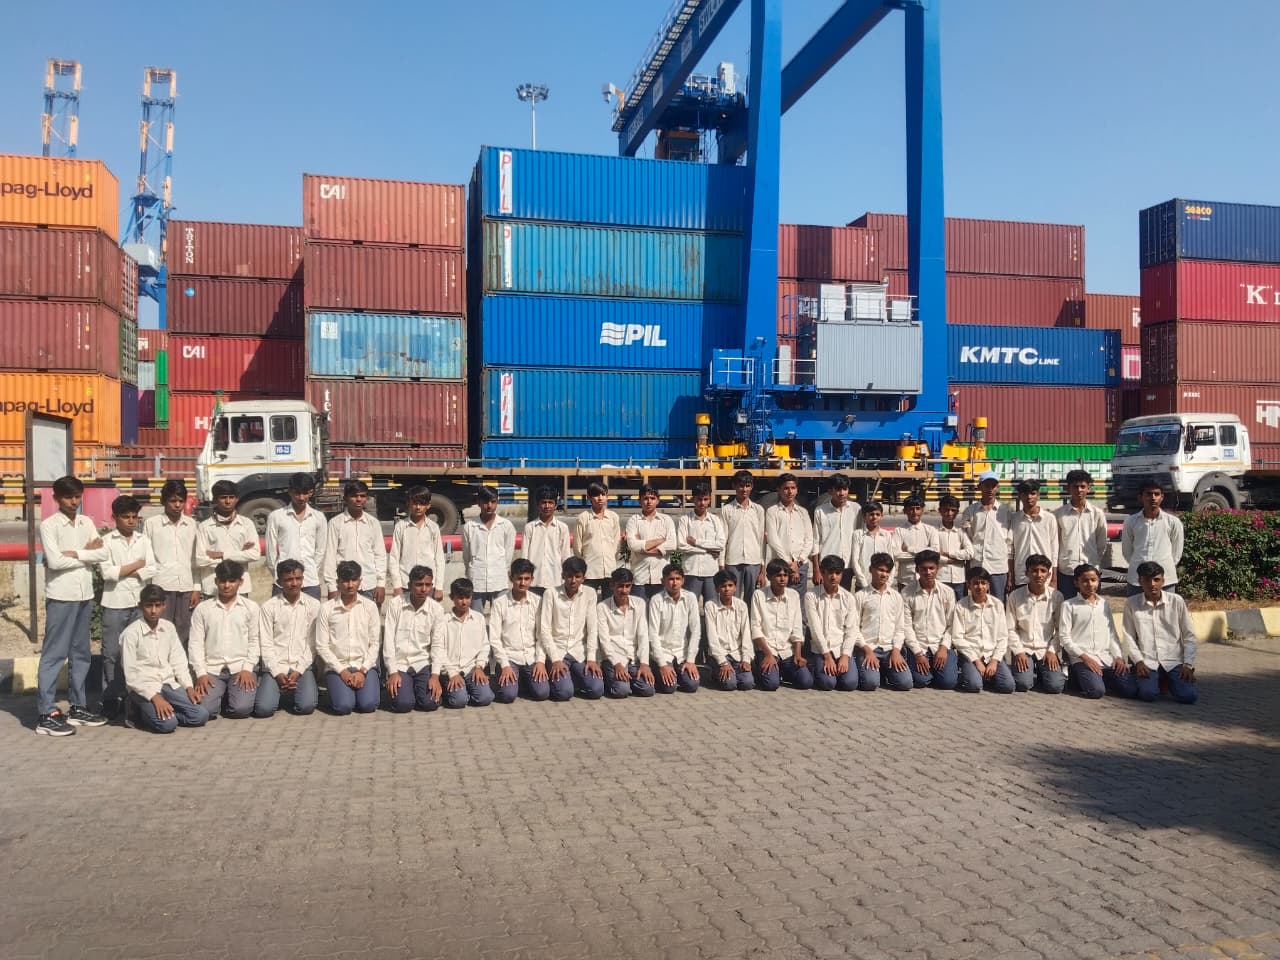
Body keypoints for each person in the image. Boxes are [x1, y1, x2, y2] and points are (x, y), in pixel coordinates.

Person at [36, 475, 109, 736]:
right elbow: (54, 562)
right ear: (56, 498)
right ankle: (46, 713)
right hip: (61, 596)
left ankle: (78, 706)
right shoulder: (49, 525)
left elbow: (104, 553)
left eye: (77, 496)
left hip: (84, 595)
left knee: (81, 653)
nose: (74, 501)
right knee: (54, 654)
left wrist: (76, 553)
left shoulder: (86, 522)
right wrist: (87, 554)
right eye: (68, 497)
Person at [97, 495, 158, 719]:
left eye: (134, 517)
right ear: (114, 518)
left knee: (138, 652)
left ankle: (134, 699)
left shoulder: (143, 540)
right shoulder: (106, 542)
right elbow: (108, 574)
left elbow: (152, 568)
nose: (131, 521)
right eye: (126, 517)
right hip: (114, 603)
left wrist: (126, 570)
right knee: (112, 653)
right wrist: (137, 565)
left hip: (138, 603)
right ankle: (110, 699)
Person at [121, 585, 209, 733]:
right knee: (167, 725)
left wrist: (188, 687)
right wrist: (154, 698)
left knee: (201, 715)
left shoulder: (168, 628)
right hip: (144, 688)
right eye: (149, 606)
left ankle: (165, 712)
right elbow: (131, 676)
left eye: (157, 605)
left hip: (167, 684)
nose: (153, 611)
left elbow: (178, 662)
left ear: (164, 605)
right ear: (140, 606)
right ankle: (136, 711)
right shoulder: (130, 633)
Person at [189, 560, 261, 719]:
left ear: (241, 582)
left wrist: (248, 668)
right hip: (212, 670)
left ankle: (232, 695)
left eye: (232, 581)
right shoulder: (203, 609)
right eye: (223, 581)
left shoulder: (251, 608)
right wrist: (200, 673)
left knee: (241, 709)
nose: (227, 585)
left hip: (240, 668)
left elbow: (255, 641)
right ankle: (219, 696)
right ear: (216, 582)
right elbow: (195, 643)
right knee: (205, 711)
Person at [1056, 563, 1137, 700]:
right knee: (1096, 691)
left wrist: (1118, 657)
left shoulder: (1104, 604)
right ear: (1076, 583)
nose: (1090, 584)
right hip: (1082, 658)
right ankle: (1079, 676)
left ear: (1098, 581)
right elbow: (1064, 637)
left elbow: (1111, 633)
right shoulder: (1069, 605)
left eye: (1093, 580)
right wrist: (1085, 658)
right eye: (1085, 581)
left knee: (1131, 691)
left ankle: (1102, 678)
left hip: (1106, 658)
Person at [1123, 561, 1198, 704]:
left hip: (1173, 661)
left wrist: (1188, 664)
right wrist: (1138, 662)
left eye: (1156, 580)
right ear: (1140, 581)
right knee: (1148, 694)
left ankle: (1167, 680)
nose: (1152, 584)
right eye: (1147, 580)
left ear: (1163, 580)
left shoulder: (1176, 601)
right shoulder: (1131, 603)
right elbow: (1129, 636)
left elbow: (1189, 635)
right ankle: (1154, 679)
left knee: (1189, 696)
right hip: (1148, 661)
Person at [254, 559, 321, 717]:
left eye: (298, 578)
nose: (294, 583)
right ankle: (279, 689)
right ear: (279, 582)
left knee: (306, 707)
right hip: (276, 666)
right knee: (263, 709)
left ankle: (293, 691)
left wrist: (298, 671)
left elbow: (312, 645)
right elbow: (266, 644)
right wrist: (277, 672)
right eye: (289, 579)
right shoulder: (269, 607)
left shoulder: (314, 606)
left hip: (302, 666)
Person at [315, 560, 382, 714]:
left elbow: (374, 643)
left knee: (367, 705)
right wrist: (342, 671)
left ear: (360, 581)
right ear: (338, 582)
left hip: (364, 666)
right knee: (344, 706)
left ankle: (360, 690)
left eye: (354, 580)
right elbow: (322, 646)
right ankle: (341, 692)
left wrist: (363, 671)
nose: (350, 585)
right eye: (345, 580)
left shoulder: (370, 607)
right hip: (337, 667)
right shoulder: (326, 609)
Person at [537, 556, 604, 700]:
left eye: (577, 576)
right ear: (563, 576)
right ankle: (564, 679)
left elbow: (592, 628)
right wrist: (555, 660)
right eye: (569, 576)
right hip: (557, 651)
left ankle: (572, 676)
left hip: (578, 652)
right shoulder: (551, 594)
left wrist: (591, 659)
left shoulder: (590, 593)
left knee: (597, 689)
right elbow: (545, 630)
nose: (573, 581)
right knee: (564, 693)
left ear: (583, 578)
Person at [143, 478, 199, 646]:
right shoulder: (152, 524)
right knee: (161, 629)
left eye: (181, 501)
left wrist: (196, 588)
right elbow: (146, 557)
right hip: (161, 585)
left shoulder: (192, 525)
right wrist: (149, 588)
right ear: (163, 501)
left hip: (186, 585)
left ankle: (181, 662)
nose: (177, 505)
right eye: (173, 501)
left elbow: (195, 559)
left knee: (184, 629)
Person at [384, 565, 445, 712]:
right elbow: (388, 641)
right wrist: (392, 672)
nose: (424, 589)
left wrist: (435, 676)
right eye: (419, 584)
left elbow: (437, 645)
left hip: (422, 663)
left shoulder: (436, 609)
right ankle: (404, 691)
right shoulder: (395, 604)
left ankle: (416, 691)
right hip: (400, 664)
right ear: (409, 584)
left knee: (431, 703)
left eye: (428, 585)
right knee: (403, 704)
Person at [487, 559, 548, 702]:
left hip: (531, 656)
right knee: (508, 695)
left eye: (527, 579)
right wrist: (504, 665)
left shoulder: (538, 602)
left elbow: (542, 635)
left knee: (542, 693)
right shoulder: (499, 603)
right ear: (511, 577)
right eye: (519, 578)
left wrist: (540, 661)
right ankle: (505, 678)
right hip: (509, 657)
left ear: (532, 579)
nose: (522, 583)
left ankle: (523, 681)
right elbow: (494, 639)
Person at [1004, 554, 1067, 694]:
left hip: (1046, 649)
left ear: (1049, 574)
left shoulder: (1057, 597)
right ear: (1026, 573)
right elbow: (1010, 629)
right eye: (1034, 571)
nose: (1038, 575)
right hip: (1024, 648)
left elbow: (1061, 630)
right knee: (1022, 684)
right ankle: (1031, 672)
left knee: (1055, 687)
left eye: (1043, 571)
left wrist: (1052, 651)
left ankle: (1047, 673)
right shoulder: (1015, 596)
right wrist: (1018, 652)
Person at [851, 552, 912, 692]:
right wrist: (867, 650)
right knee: (870, 684)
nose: (884, 574)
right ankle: (873, 671)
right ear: (871, 569)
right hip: (868, 648)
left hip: (890, 649)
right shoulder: (860, 596)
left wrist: (896, 651)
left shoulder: (896, 597)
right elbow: (854, 628)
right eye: (880, 570)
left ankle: (883, 670)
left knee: (906, 683)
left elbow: (900, 629)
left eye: (887, 571)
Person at [749, 558, 814, 691]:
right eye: (778, 575)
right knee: (771, 684)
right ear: (769, 577)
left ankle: (782, 671)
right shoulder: (759, 595)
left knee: (806, 681)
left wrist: (798, 654)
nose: (782, 579)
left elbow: (797, 628)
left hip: (787, 650)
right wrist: (768, 654)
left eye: (785, 575)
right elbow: (755, 628)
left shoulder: (794, 595)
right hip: (768, 649)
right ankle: (763, 669)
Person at [949, 566, 1016, 694]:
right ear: (969, 586)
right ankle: (972, 674)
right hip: (971, 655)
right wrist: (977, 661)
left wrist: (994, 661)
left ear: (988, 585)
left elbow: (1003, 636)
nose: (979, 587)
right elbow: (957, 638)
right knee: (974, 686)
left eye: (983, 583)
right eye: (975, 583)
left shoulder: (997, 605)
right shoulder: (961, 606)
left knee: (1008, 686)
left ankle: (987, 676)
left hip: (992, 654)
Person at [435, 578, 499, 708]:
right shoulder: (443, 621)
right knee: (459, 701)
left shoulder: (479, 618)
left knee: (485, 698)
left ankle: (465, 690)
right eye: (460, 598)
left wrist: (479, 667)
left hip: (471, 669)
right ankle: (451, 690)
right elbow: (439, 650)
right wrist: (452, 673)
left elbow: (484, 646)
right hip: (451, 670)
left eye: (467, 597)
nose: (464, 602)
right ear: (452, 597)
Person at [322, 479, 387, 605]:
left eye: (362, 496)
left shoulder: (373, 523)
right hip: (344, 585)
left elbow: (380, 555)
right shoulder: (335, 523)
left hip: (369, 585)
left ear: (366, 498)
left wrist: (381, 584)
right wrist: (331, 587)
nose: (358, 499)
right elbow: (329, 556)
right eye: (354, 496)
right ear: (345, 498)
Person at [265, 472, 327, 600]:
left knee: (313, 613)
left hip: (310, 580)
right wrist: (278, 573)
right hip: (283, 581)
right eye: (297, 493)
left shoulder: (318, 517)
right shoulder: (276, 516)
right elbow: (270, 551)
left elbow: (320, 550)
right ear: (290, 492)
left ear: (311, 492)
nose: (301, 497)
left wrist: (310, 569)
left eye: (305, 493)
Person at [902, 549, 958, 690]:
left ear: (937, 568)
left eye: (931, 568)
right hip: (919, 646)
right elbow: (907, 627)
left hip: (940, 645)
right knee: (920, 681)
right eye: (924, 569)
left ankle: (944, 668)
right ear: (917, 570)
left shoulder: (947, 592)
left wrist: (944, 648)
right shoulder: (907, 593)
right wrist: (918, 653)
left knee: (948, 683)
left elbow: (952, 624)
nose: (928, 572)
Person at [596, 568, 656, 699]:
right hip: (614, 658)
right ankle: (610, 677)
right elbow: (604, 640)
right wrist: (616, 664)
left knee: (648, 689)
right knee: (621, 691)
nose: (624, 590)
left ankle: (627, 680)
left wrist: (644, 664)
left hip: (633, 658)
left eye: (627, 586)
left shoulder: (639, 603)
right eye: (620, 586)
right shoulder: (602, 607)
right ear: (612, 585)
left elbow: (643, 635)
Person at [196, 480, 260, 598]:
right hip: (212, 587)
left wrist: (221, 555)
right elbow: (200, 560)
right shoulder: (204, 526)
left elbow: (255, 554)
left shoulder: (246, 524)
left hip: (240, 587)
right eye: (223, 497)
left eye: (231, 497)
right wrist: (239, 555)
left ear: (237, 499)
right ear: (215, 500)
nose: (228, 501)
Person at [803, 555, 859, 691]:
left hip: (840, 649)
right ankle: (815, 667)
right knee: (828, 683)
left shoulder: (849, 598)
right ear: (823, 573)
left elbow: (852, 629)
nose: (834, 577)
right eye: (830, 573)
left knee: (850, 683)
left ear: (842, 574)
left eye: (838, 573)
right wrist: (827, 656)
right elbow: (815, 630)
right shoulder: (811, 596)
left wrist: (845, 656)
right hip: (820, 650)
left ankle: (839, 671)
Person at [1120, 481, 1184, 597]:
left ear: (1162, 497)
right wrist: (1140, 567)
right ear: (1140, 497)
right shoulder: (1131, 522)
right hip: (1137, 579)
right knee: (1136, 608)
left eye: (1157, 494)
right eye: (1149, 494)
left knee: (1166, 609)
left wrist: (1163, 567)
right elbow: (1127, 551)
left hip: (1165, 579)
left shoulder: (1173, 522)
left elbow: (1176, 553)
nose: (1153, 498)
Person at [1054, 469, 1108, 600]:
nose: (1079, 490)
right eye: (1075, 486)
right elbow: (1055, 544)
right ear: (1068, 488)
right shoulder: (1058, 514)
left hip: (1091, 571)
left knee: (1091, 607)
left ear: (1089, 488)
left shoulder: (1097, 514)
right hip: (1067, 571)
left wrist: (1093, 561)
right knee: (1067, 607)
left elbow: (1101, 543)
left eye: (1083, 486)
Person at [647, 563, 701, 694]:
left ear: (683, 580)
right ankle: (659, 671)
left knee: (692, 685)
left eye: (678, 579)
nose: (674, 583)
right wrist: (662, 664)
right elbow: (653, 634)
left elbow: (695, 630)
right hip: (663, 653)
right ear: (663, 581)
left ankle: (677, 674)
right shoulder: (656, 600)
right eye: (671, 579)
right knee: (669, 687)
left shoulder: (690, 598)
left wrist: (691, 661)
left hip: (682, 653)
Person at [461, 486, 516, 611]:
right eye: (485, 502)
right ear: (478, 502)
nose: (489, 506)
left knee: (500, 617)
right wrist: (471, 571)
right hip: (476, 579)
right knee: (475, 617)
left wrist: (503, 571)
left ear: (497, 501)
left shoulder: (506, 526)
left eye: (493, 501)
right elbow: (467, 555)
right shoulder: (470, 526)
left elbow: (508, 555)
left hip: (499, 579)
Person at [960, 471, 1013, 599]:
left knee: (998, 602)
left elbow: (1010, 542)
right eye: (986, 485)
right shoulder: (970, 511)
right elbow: (966, 539)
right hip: (977, 564)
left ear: (997, 487)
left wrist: (1011, 572)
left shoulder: (1005, 511)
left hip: (998, 566)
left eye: (993, 486)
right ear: (979, 487)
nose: (990, 489)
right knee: (976, 602)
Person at [388, 486, 445, 602]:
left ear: (428, 505)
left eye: (422, 503)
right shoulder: (400, 527)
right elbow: (394, 558)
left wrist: (439, 587)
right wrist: (397, 585)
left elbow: (439, 558)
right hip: (406, 583)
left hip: (427, 584)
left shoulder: (433, 528)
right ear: (408, 504)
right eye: (414, 503)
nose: (418, 507)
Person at [764, 473, 814, 598]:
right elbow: (773, 539)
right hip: (780, 565)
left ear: (797, 490)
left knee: (798, 601)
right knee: (778, 599)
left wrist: (798, 562)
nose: (790, 491)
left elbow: (809, 539)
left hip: (801, 564)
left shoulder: (803, 512)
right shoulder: (772, 512)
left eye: (793, 488)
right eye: (786, 488)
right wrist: (788, 563)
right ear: (779, 490)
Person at [704, 570, 755, 691]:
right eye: (723, 586)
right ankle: (715, 672)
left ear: (735, 588)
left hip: (737, 654)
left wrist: (746, 659)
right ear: (717, 589)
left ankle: (734, 672)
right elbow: (712, 639)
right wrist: (723, 663)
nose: (727, 589)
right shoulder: (710, 606)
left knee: (747, 683)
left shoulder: (741, 606)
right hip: (719, 654)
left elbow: (746, 635)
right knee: (730, 684)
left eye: (730, 585)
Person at [625, 484, 677, 601]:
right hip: (640, 578)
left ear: (658, 500)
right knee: (640, 612)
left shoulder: (666, 520)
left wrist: (644, 548)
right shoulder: (633, 520)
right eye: (645, 498)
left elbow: (673, 544)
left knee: (661, 612)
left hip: (661, 578)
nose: (649, 502)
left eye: (652, 498)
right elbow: (633, 545)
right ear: (639, 500)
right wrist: (661, 540)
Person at [677, 481, 725, 605]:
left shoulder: (715, 520)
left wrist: (696, 542)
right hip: (691, 570)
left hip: (711, 571)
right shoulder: (685, 520)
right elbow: (681, 546)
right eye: (699, 499)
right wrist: (707, 550)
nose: (702, 503)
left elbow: (720, 544)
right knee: (689, 607)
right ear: (693, 499)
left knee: (712, 606)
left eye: (705, 499)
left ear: (710, 500)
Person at [721, 470, 766, 603]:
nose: (744, 489)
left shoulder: (758, 510)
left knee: (752, 598)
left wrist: (763, 568)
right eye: (741, 486)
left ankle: (750, 618)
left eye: (747, 486)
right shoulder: (727, 510)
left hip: (754, 560)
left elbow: (761, 540)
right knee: (732, 598)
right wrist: (721, 565)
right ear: (734, 486)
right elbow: (723, 539)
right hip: (733, 560)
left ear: (751, 487)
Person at [811, 474, 861, 590]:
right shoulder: (820, 511)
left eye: (845, 489)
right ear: (830, 491)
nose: (842, 493)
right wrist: (816, 570)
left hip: (848, 565)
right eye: (838, 489)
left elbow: (860, 537)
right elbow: (815, 541)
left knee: (843, 597)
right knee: (824, 597)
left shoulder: (856, 509)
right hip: (827, 565)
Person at [1010, 480, 1060, 590]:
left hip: (1044, 575)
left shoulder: (1049, 518)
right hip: (1022, 574)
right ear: (1020, 496)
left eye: (1032, 493)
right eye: (1025, 494)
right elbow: (1011, 551)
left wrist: (1054, 578)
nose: (1029, 497)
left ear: (1038, 495)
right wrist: (1011, 577)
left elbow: (1054, 550)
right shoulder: (1014, 519)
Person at [522, 487, 572, 596]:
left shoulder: (562, 528)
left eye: (550, 502)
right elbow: (525, 556)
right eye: (543, 502)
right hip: (534, 581)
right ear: (537, 505)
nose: (547, 506)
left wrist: (566, 578)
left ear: (555, 505)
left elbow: (565, 556)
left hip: (556, 580)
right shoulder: (529, 528)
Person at [574, 481, 621, 598]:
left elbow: (617, 543)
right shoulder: (583, 518)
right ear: (589, 497)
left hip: (609, 570)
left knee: (609, 604)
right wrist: (582, 566)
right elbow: (577, 546)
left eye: (603, 495)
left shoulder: (613, 517)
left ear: (607, 496)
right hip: (590, 571)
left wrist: (611, 559)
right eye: (596, 495)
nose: (600, 498)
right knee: (587, 603)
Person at [850, 501, 898, 590]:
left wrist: (888, 583)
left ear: (881, 516)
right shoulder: (857, 534)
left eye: (877, 514)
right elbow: (855, 561)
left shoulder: (886, 535)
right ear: (864, 516)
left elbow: (891, 560)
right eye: (871, 514)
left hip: (883, 585)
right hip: (863, 584)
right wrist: (864, 584)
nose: (874, 517)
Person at [894, 496, 940, 588]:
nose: (915, 512)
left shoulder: (930, 530)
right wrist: (925, 555)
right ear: (905, 511)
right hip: (905, 579)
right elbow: (896, 554)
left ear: (922, 510)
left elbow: (935, 551)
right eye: (911, 509)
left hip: (927, 578)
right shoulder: (899, 531)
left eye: (918, 508)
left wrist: (909, 549)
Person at [935, 495, 973, 602]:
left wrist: (950, 553)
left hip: (959, 578)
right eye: (946, 510)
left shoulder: (961, 532)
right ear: (940, 510)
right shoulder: (934, 531)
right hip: (941, 577)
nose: (949, 513)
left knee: (960, 607)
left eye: (953, 510)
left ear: (957, 512)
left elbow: (970, 553)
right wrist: (950, 560)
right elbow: (933, 554)